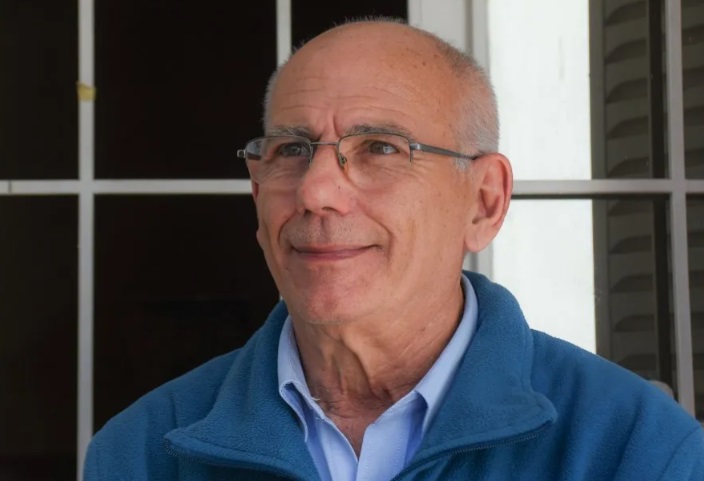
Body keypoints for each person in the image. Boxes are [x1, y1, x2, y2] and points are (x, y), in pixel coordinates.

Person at [83, 19, 704, 481]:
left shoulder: (636, 449)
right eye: (291, 150)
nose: (315, 192)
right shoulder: (141, 453)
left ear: (484, 202)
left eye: (381, 148)